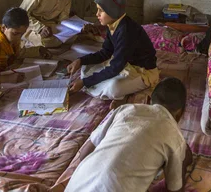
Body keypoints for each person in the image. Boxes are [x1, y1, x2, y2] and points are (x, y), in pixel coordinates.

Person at [65, 77, 193, 192]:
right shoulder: (175, 136)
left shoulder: (126, 109)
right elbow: (175, 188)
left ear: (148, 100)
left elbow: (84, 154)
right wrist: (183, 163)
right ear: (181, 113)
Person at [66, 0, 159, 109]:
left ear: (112, 11)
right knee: (86, 68)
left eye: (101, 11)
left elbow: (115, 67)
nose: (97, 14)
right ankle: (120, 91)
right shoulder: (113, 25)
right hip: (125, 65)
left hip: (142, 70)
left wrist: (84, 82)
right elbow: (105, 53)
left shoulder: (126, 31)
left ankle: (121, 95)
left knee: (113, 88)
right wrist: (80, 60)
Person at [0, 7, 51, 87]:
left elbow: (18, 52)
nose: (19, 37)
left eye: (22, 34)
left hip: (3, 73)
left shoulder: (11, 39)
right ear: (4, 28)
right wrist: (5, 79)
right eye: (15, 33)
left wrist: (38, 50)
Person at [20, 0, 84, 48]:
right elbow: (21, 15)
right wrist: (40, 28)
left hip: (51, 26)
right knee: (47, 41)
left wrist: (78, 27)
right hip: (31, 27)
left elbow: (63, 19)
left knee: (74, 35)